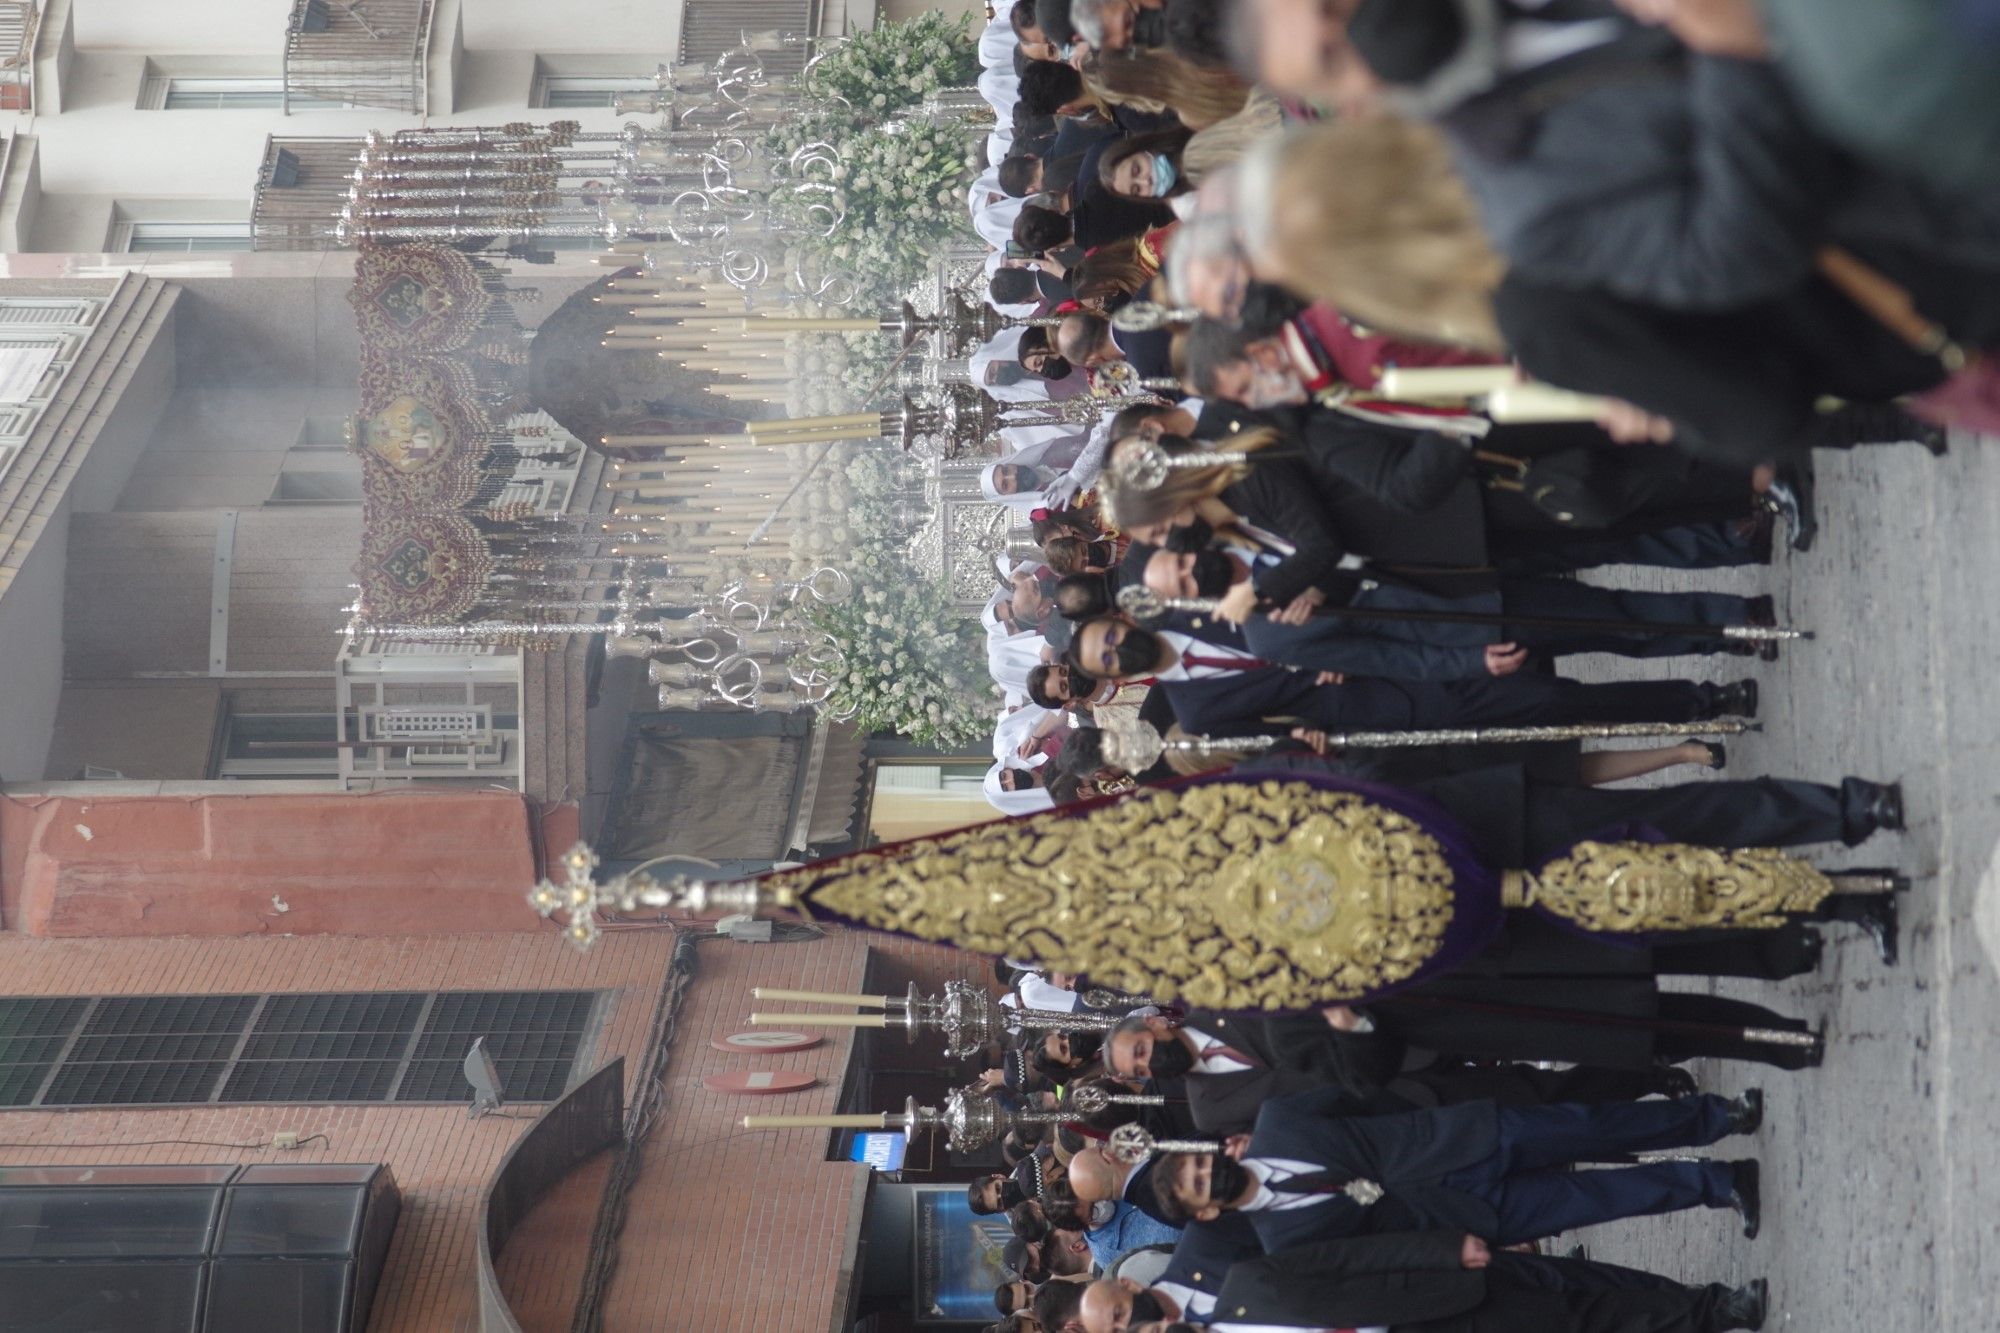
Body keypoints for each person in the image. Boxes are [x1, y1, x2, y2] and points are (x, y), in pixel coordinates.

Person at [1152, 1085, 1766, 1249]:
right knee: (1600, 1200)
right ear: (1205, 1209)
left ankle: (1718, 1117)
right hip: (1462, 1215)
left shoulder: (1280, 1120)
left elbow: (1368, 1096)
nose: (1209, 1176)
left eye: (1200, 1166)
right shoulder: (1283, 1239)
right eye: (1201, 1188)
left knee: (1594, 1124)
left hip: (1463, 1136)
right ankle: (1719, 1184)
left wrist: (1432, 1120)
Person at [1063, 615, 1760, 743]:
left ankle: (1710, 631)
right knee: (1552, 700)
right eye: (1107, 657)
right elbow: (1282, 737)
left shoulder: (1192, 602)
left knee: (1554, 626)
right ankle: (1702, 700)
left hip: (1390, 624)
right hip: (1387, 699)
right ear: (1112, 679)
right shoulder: (1197, 709)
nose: (1119, 649)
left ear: (1122, 619)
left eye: (1111, 635)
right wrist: (1312, 711)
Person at [1145, 1229, 1770, 1332]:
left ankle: (1714, 1311)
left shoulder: (1245, 1283)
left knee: (1570, 1313)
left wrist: (1440, 1248)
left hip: (1421, 1309)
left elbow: (1347, 1258)